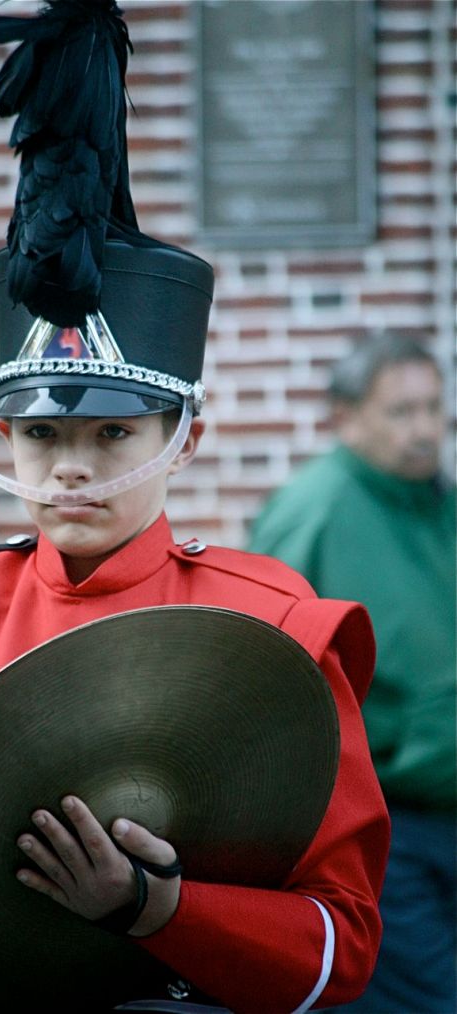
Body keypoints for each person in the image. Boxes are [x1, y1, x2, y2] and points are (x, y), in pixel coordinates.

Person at [0, 3, 389, 1012]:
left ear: (182, 439)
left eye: (112, 434)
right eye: (40, 434)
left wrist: (158, 910)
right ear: (4, 436)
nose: (69, 467)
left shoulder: (276, 625)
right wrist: (9, 894)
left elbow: (340, 947)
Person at [249, 333, 456, 1013]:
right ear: (344, 417)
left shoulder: (437, 501)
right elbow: (271, 678)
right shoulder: (314, 514)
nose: (425, 429)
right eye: (401, 412)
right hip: (388, 830)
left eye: (434, 408)